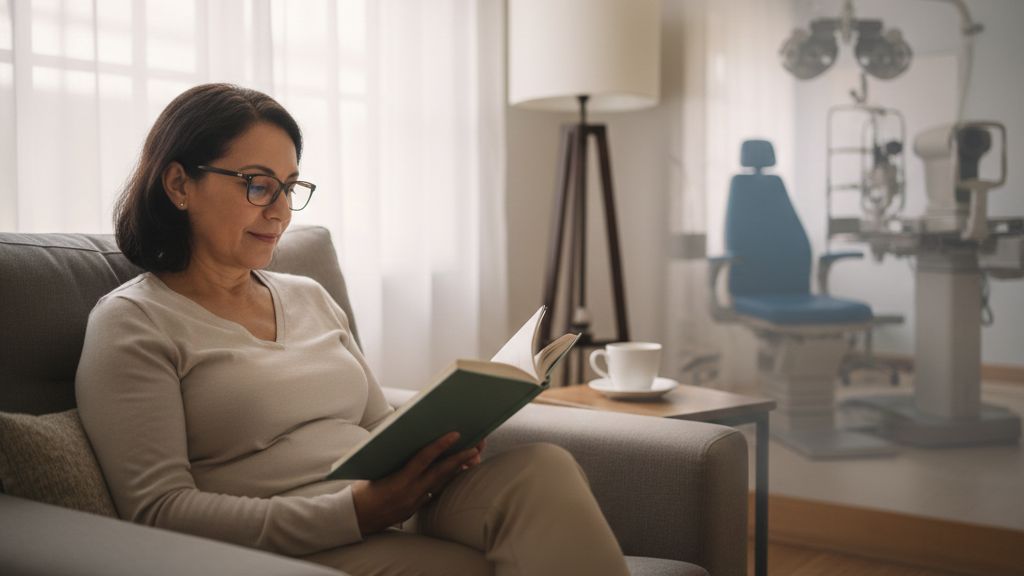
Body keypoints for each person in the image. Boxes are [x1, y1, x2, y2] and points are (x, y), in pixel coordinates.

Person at [75, 83, 630, 576]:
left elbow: (376, 425)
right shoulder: (133, 323)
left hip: (389, 504)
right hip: (290, 543)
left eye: (290, 187)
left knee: (543, 469)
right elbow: (158, 511)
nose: (281, 211)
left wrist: (442, 443)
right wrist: (355, 512)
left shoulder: (307, 296)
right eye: (258, 185)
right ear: (179, 184)